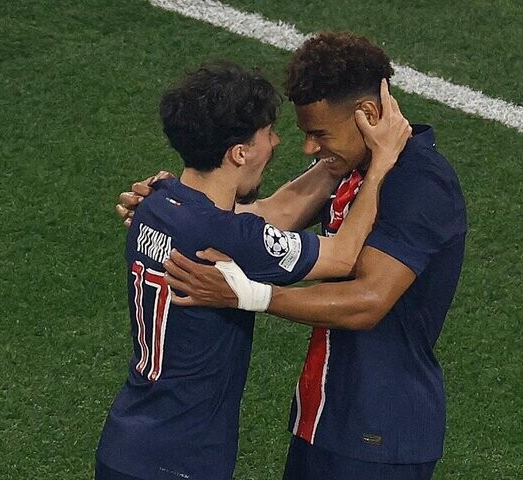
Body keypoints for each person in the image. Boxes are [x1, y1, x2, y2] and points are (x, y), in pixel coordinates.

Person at [126, 33, 467, 480]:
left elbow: (369, 301)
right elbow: (274, 214)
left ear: (368, 116)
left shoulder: (419, 184)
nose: (308, 148)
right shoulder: (351, 167)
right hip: (322, 417)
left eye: (319, 134)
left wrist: (251, 295)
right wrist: (178, 211)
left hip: (377, 432)